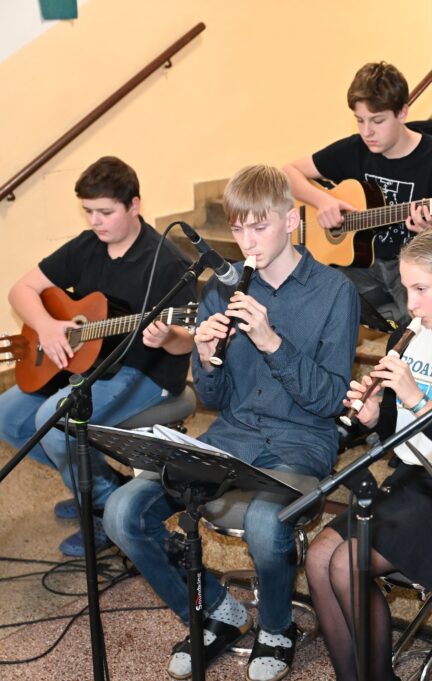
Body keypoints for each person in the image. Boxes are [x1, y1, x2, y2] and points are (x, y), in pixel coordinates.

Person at [103, 165, 360, 681]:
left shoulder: (335, 291)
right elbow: (215, 399)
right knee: (121, 512)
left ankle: (278, 627)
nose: (247, 242)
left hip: (301, 440)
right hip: (233, 436)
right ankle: (213, 611)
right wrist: (204, 358)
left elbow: (331, 400)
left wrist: (271, 342)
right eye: (239, 228)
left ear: (291, 221)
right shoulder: (221, 290)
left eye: (259, 227)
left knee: (266, 524)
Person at [305, 228, 432, 680]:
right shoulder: (409, 336)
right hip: (412, 482)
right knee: (319, 557)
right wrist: (373, 417)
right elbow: (397, 429)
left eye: (421, 289)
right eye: (406, 289)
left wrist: (417, 399)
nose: (411, 304)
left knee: (346, 563)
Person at [0, 156, 194, 557]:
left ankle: (101, 508)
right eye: (88, 211)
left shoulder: (167, 262)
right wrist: (47, 326)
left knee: (55, 422)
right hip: (90, 365)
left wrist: (167, 337)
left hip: (146, 371)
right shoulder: (88, 245)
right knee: (7, 414)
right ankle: (96, 484)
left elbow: (188, 341)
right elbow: (21, 290)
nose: (95, 222)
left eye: (105, 212)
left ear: (134, 205)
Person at [283, 61, 432, 325]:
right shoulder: (355, 149)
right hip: (359, 269)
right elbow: (288, 172)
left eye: (377, 121)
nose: (367, 131)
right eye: (360, 120)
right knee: (309, 295)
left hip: (412, 270)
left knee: (423, 326)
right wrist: (323, 201)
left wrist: (431, 233)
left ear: (402, 113)